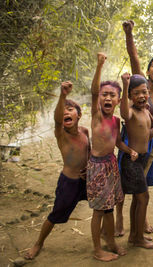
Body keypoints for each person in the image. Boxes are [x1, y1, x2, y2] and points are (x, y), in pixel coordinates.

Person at [24, 82, 89, 260]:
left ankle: (106, 235)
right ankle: (39, 243)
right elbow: (58, 119)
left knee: (102, 206)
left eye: (71, 109)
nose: (67, 112)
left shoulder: (84, 131)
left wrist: (90, 167)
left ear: (79, 115)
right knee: (55, 215)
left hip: (86, 180)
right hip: (69, 183)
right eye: (64, 109)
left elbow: (88, 151)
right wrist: (62, 96)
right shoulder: (61, 134)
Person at [115, 20, 153, 236]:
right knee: (123, 182)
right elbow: (133, 56)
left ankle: (141, 219)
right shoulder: (140, 85)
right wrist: (129, 33)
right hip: (130, 142)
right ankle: (119, 218)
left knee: (142, 184)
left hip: (148, 144)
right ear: (147, 71)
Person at [87, 52, 134, 261]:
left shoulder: (115, 121)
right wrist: (99, 65)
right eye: (104, 94)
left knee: (109, 208)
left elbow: (116, 143)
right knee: (99, 210)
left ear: (118, 99)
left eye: (112, 95)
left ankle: (111, 242)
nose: (107, 98)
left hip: (111, 165)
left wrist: (128, 150)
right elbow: (94, 92)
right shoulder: (97, 116)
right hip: (97, 167)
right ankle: (97, 249)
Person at [119, 73, 153, 249]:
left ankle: (133, 235)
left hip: (144, 159)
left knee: (138, 200)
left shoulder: (145, 110)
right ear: (130, 96)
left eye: (144, 92)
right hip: (132, 161)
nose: (141, 96)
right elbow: (123, 112)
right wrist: (124, 85)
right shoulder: (129, 112)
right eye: (136, 93)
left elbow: (149, 132)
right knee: (143, 198)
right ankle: (138, 238)